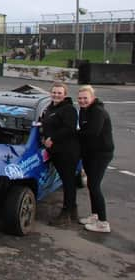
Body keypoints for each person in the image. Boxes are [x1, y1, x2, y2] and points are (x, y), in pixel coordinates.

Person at [77, 85, 114, 233]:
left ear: (92, 97)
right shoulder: (84, 110)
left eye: (85, 98)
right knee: (91, 185)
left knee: (94, 185)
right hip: (90, 153)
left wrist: (73, 134)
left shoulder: (98, 112)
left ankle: (103, 223)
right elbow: (84, 131)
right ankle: (95, 215)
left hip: (101, 153)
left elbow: (92, 133)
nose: (82, 101)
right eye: (80, 98)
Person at [41, 81, 79, 226]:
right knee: (67, 181)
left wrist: (52, 138)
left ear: (65, 95)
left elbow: (70, 129)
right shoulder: (51, 108)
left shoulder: (68, 109)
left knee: (68, 182)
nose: (56, 95)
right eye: (54, 92)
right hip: (56, 150)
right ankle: (73, 212)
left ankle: (66, 214)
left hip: (67, 151)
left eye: (59, 93)